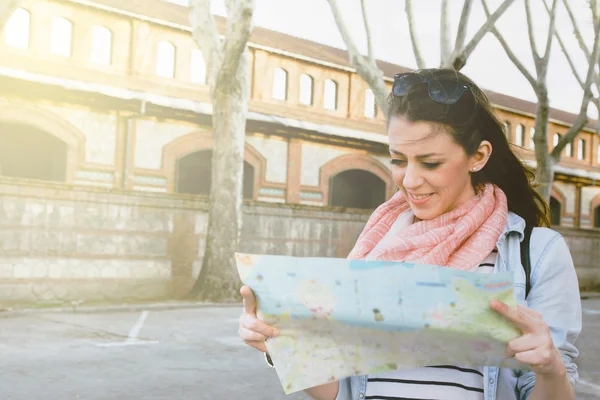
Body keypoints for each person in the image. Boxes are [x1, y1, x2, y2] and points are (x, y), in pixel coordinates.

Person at [238, 68, 581, 400]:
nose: (410, 181)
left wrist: (551, 368)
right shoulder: (379, 242)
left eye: (430, 163)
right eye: (399, 160)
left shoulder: (537, 253)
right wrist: (281, 345)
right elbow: (341, 392)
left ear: (478, 155)